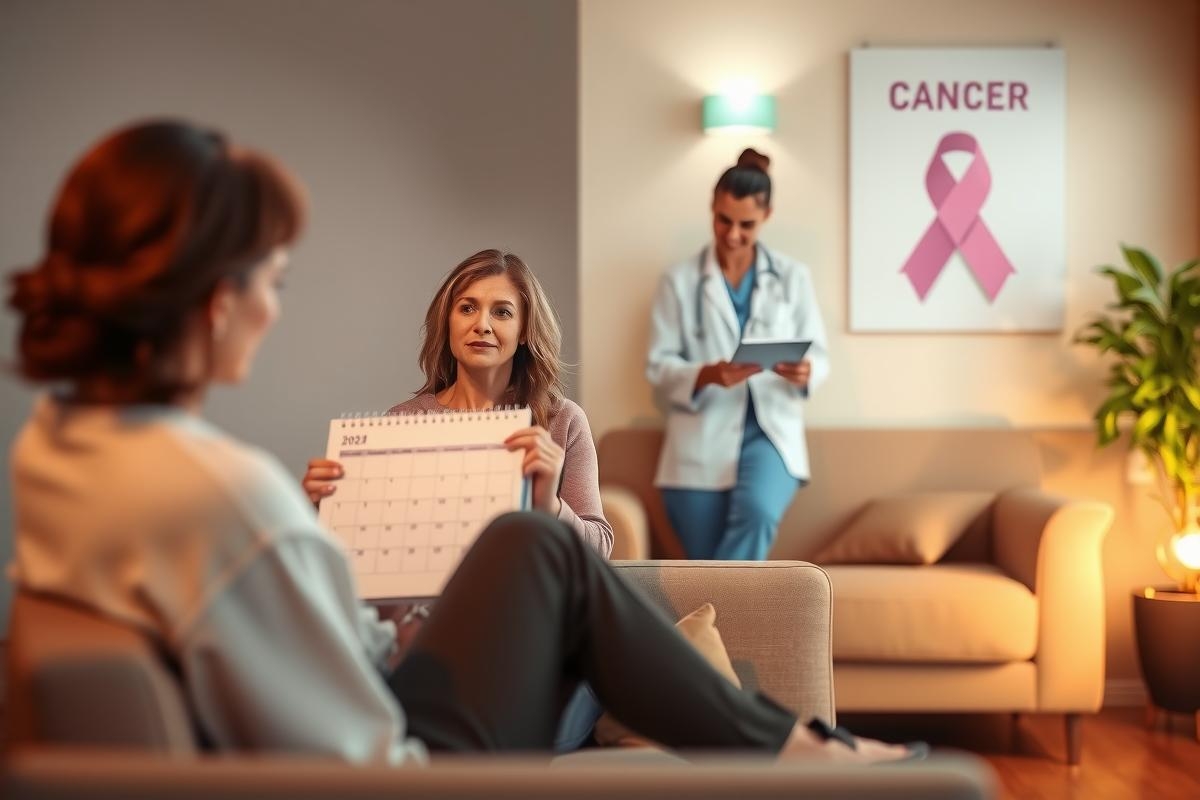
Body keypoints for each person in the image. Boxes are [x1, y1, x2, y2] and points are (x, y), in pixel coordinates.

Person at [8, 120, 917, 764]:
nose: (273, 307)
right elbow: (342, 698)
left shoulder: (57, 448)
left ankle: (781, 742)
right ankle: (793, 747)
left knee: (531, 538)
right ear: (217, 303)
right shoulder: (230, 499)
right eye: (273, 281)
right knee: (538, 557)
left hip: (377, 694)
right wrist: (321, 527)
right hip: (391, 750)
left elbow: (300, 640)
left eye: (501, 312)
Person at [300, 247, 613, 751]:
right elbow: (366, 576)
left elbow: (599, 551)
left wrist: (548, 502)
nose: (482, 324)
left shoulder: (562, 421)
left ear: (526, 329)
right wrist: (323, 513)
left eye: (501, 311)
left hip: (525, 639)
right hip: (426, 649)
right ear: (447, 322)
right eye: (467, 307)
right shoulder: (403, 421)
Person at [646, 148, 829, 561]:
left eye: (746, 225)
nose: (732, 234)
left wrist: (806, 371)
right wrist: (708, 374)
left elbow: (819, 354)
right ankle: (717, 624)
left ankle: (712, 623)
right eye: (723, 220)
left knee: (759, 512)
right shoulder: (678, 282)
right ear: (712, 206)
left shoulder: (792, 277)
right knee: (707, 562)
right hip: (699, 438)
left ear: (767, 215)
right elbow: (658, 366)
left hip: (770, 432)